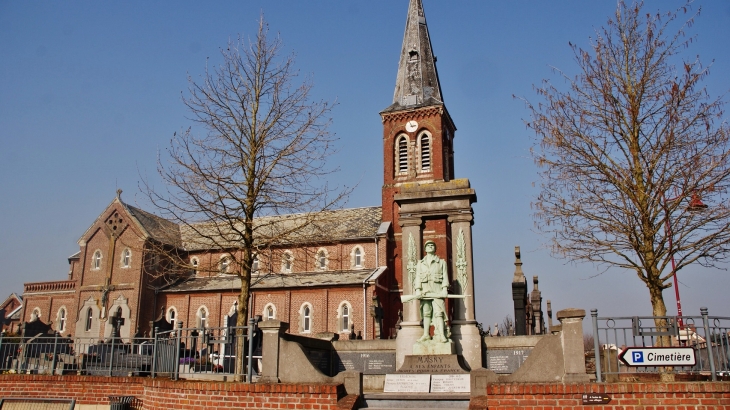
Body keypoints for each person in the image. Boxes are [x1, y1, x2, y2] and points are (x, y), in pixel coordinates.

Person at [415, 240, 449, 343]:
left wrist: (444, 289)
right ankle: (426, 334)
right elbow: (417, 277)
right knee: (426, 313)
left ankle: (442, 335)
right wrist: (418, 290)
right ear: (425, 249)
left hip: (437, 290)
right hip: (425, 291)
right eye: (428, 245)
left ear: (435, 248)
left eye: (432, 245)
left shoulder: (441, 262)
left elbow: (445, 276)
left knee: (439, 313)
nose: (430, 247)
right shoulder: (420, 263)